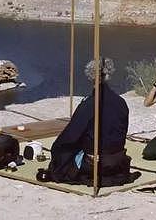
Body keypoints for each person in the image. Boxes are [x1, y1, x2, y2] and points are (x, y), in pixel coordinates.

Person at [39, 57, 140, 187]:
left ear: (91, 77)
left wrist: (57, 148)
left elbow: (71, 134)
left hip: (95, 162)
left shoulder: (89, 104)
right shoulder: (120, 102)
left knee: (62, 151)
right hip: (117, 158)